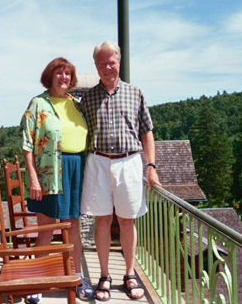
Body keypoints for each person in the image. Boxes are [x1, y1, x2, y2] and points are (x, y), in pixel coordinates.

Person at [80, 41, 161, 301]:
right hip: (98, 162)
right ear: (96, 66)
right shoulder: (88, 98)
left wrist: (151, 167)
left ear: (119, 62)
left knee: (127, 221)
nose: (107, 67)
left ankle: (129, 274)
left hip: (129, 162)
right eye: (102, 63)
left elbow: (147, 133)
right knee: (101, 220)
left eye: (111, 62)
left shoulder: (135, 93)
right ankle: (104, 275)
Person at [19, 57, 94, 303]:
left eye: (68, 74)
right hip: (49, 171)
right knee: (47, 227)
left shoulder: (76, 104)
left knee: (73, 226)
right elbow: (27, 144)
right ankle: (38, 281)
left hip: (75, 169)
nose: (64, 78)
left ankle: (77, 277)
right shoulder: (39, 103)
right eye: (59, 73)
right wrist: (33, 177)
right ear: (50, 76)